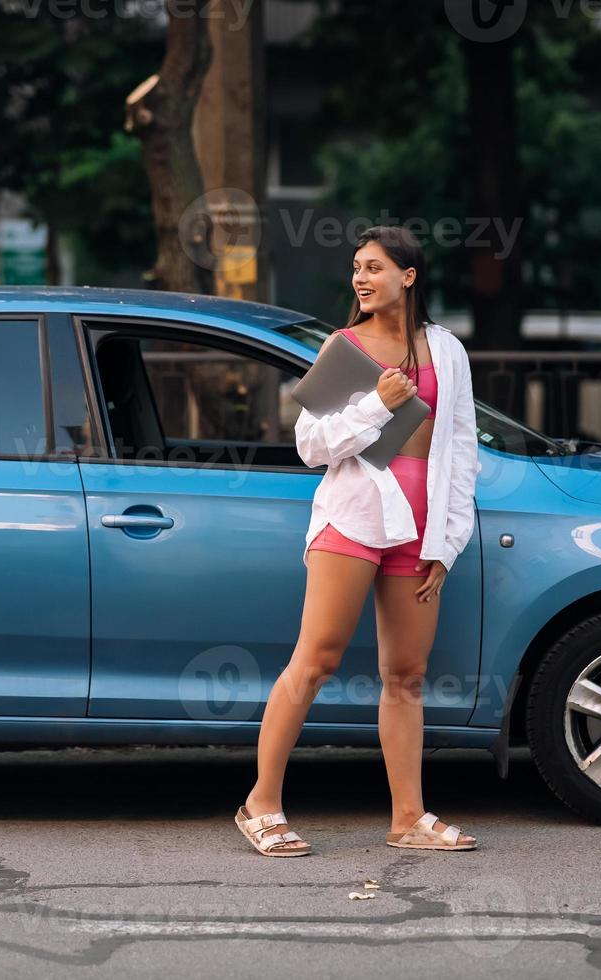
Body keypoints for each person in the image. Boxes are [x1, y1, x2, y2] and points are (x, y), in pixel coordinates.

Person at [235, 225, 482, 856]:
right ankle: (260, 803)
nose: (361, 279)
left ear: (408, 276)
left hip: (419, 529)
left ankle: (407, 818)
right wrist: (375, 403)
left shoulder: (447, 352)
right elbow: (310, 446)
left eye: (374, 267)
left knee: (406, 674)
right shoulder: (344, 348)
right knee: (314, 661)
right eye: (356, 269)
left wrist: (446, 544)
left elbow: (462, 452)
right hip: (352, 518)